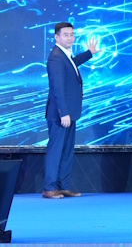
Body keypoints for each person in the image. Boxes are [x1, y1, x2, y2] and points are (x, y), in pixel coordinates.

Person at [44, 22, 99, 199]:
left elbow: (73, 64)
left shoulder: (64, 55)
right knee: (56, 151)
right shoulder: (56, 57)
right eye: (65, 35)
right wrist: (63, 112)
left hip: (69, 113)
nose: (70, 38)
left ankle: (63, 186)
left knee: (67, 151)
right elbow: (58, 87)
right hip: (60, 114)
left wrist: (89, 53)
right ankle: (49, 188)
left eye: (72, 35)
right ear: (57, 37)